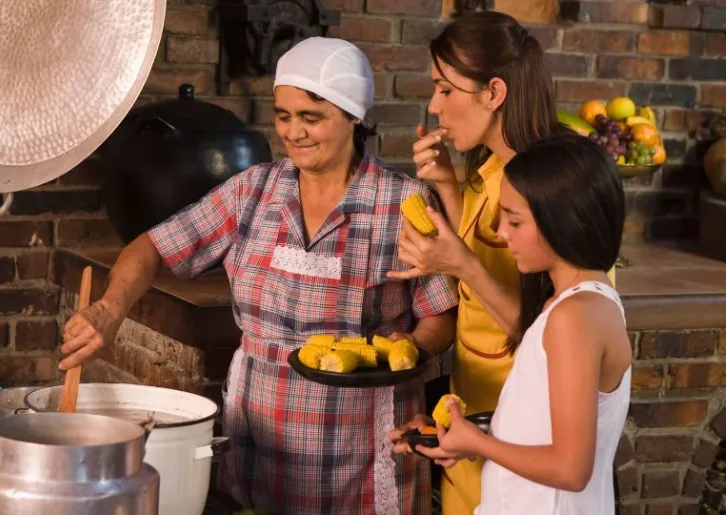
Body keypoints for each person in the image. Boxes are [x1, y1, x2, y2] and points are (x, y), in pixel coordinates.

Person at [59, 36, 458, 515]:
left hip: (363, 453)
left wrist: (411, 350)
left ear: (355, 116)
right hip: (258, 439)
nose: (294, 133)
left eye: (311, 118)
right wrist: (109, 309)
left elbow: (440, 314)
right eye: (283, 115)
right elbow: (153, 247)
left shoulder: (401, 204)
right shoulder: (253, 191)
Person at [387, 10, 569, 514]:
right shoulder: (485, 171)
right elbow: (479, 252)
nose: (433, 104)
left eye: (447, 90)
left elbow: (552, 339)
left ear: (493, 93)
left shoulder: (554, 186)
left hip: (528, 429)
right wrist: (446, 183)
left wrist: (461, 264)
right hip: (470, 411)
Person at [402, 132, 630, 515]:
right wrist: (466, 435)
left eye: (514, 220)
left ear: (563, 222)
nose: (502, 232)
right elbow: (543, 426)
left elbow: (571, 469)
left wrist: (478, 446)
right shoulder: (582, 302)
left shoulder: (573, 317)